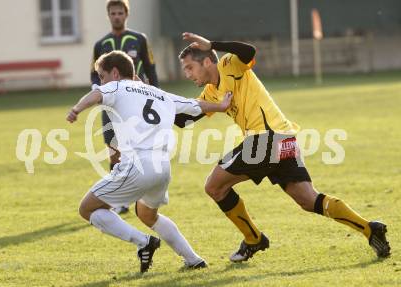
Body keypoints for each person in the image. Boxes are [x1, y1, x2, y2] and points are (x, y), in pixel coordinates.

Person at [176, 32, 391, 262]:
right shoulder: (210, 92)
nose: (187, 74)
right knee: (308, 199)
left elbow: (249, 51)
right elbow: (183, 120)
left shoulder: (229, 64)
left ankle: (253, 239)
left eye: (190, 67)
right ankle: (370, 229)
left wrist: (213, 44)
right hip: (284, 139)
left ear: (207, 61)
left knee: (214, 187)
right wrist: (149, 96)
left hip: (266, 140)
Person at [68, 50, 233, 272]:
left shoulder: (116, 86)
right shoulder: (159, 93)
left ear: (115, 73)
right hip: (162, 168)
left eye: (102, 76)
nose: (101, 81)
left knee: (87, 209)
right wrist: (221, 106)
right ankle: (193, 260)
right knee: (148, 214)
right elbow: (194, 105)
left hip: (136, 165)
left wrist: (77, 109)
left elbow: (96, 95)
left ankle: (143, 242)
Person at [91, 0, 159, 214]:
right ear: (108, 15)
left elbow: (151, 70)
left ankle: (141, 196)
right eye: (113, 13)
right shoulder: (100, 45)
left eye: (120, 12)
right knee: (114, 152)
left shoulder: (139, 40)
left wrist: (154, 96)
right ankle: (117, 200)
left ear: (126, 15)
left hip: (136, 105)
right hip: (111, 107)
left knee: (136, 151)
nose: (117, 16)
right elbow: (94, 75)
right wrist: (98, 94)